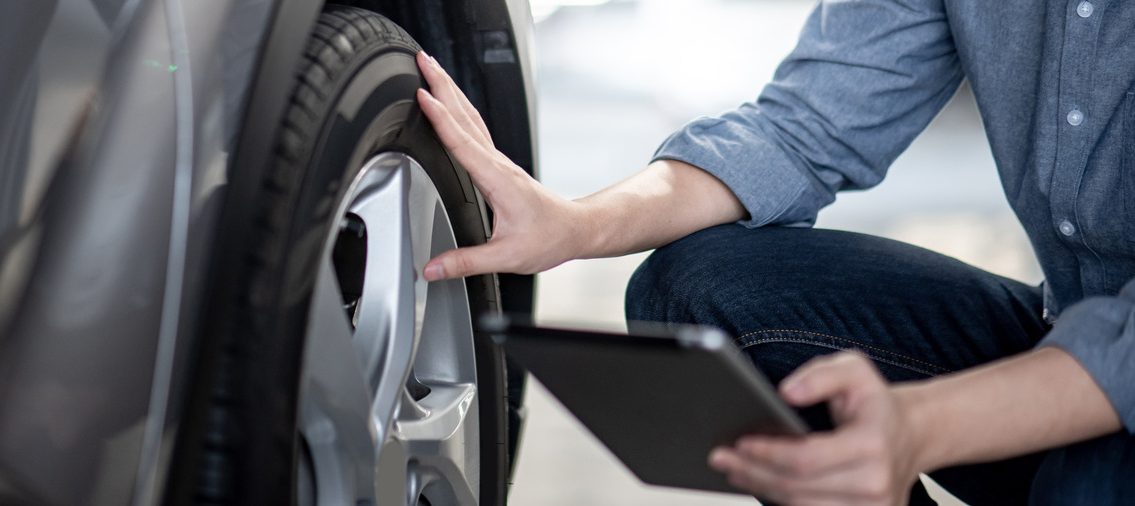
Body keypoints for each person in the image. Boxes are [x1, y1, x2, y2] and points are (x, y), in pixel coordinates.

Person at [412, 0, 1135, 503]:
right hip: (1062, 322)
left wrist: (918, 429)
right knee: (692, 289)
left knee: (1084, 484)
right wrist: (574, 224)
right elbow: (803, 129)